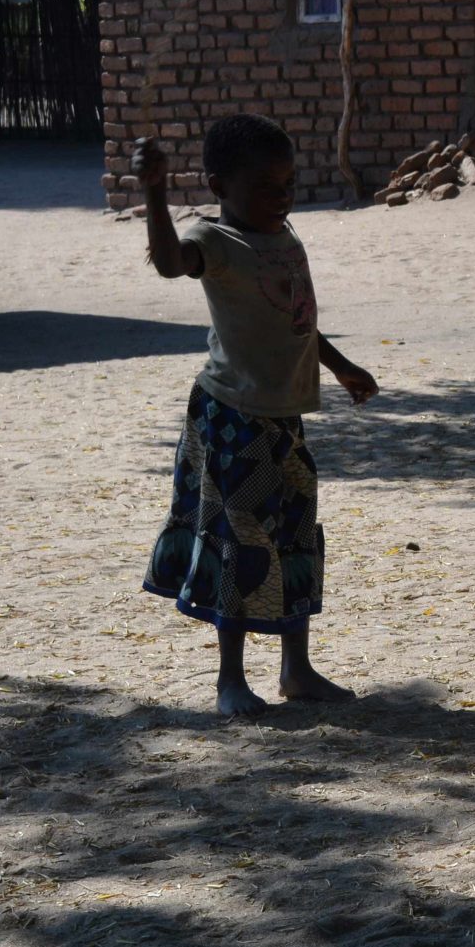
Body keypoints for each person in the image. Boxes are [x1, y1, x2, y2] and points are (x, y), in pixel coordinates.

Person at [133, 114, 378, 717]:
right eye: (265, 185)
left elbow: (299, 320)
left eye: (288, 182)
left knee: (294, 534)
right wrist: (156, 192)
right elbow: (168, 263)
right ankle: (230, 681)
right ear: (219, 185)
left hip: (284, 416)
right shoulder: (215, 243)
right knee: (237, 540)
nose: (282, 195)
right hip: (231, 417)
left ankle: (297, 669)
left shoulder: (285, 235)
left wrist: (341, 366)